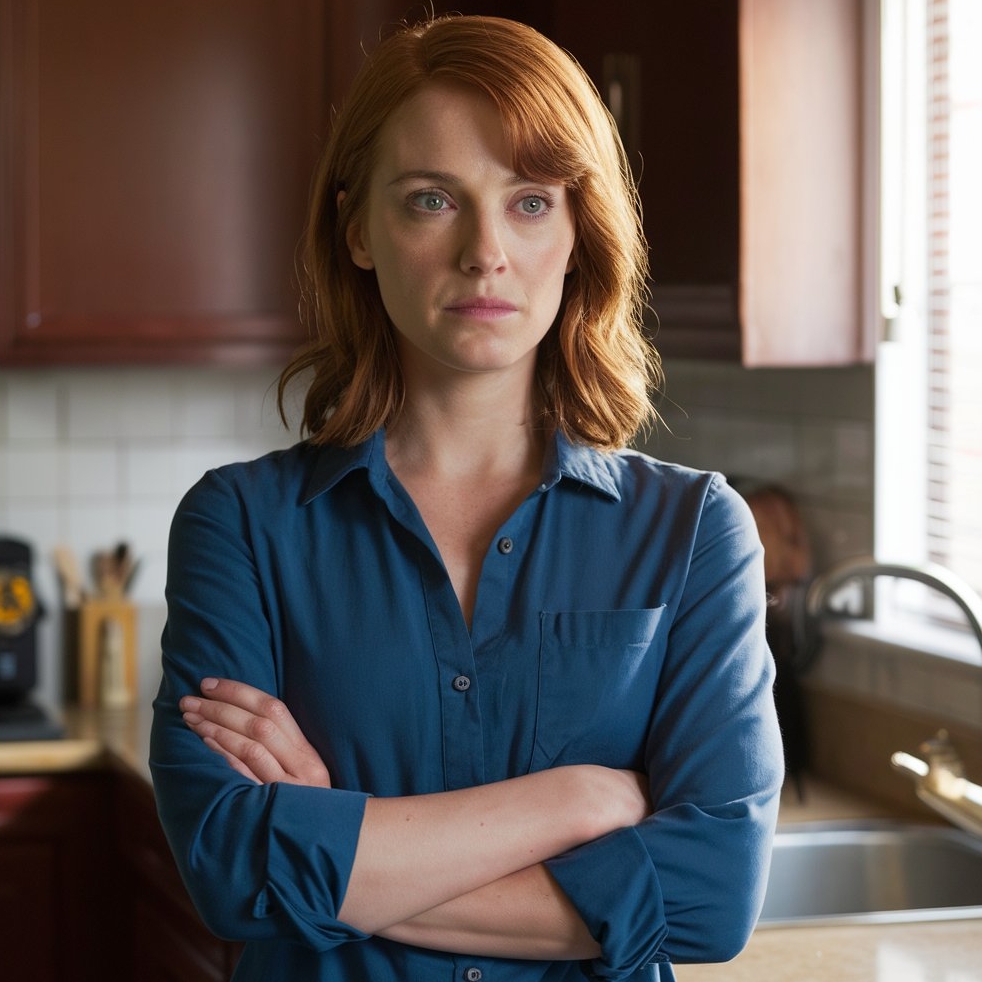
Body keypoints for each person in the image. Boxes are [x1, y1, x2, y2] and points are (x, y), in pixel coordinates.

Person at [150, 14, 784, 982]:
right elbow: (232, 869)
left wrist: (337, 850)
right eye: (432, 199)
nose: (485, 251)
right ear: (357, 226)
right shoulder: (241, 523)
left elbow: (708, 897)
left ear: (578, 233)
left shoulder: (693, 530)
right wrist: (576, 803)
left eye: (530, 202)